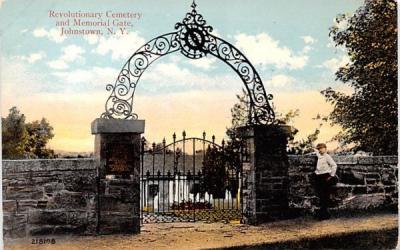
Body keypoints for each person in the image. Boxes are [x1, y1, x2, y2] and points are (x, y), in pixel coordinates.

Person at [312, 143, 338, 220]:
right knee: (320, 195)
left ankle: (324, 213)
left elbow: (334, 165)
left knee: (325, 195)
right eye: (319, 149)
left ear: (325, 149)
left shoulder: (327, 157)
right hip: (318, 177)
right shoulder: (319, 156)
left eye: (322, 148)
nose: (320, 150)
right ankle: (323, 212)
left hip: (325, 177)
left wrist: (331, 176)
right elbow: (315, 152)